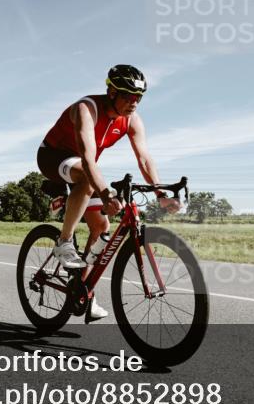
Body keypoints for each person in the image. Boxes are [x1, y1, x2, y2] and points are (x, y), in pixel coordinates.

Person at [36, 65, 181, 321]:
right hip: (53, 156)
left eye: (139, 97)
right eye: (127, 95)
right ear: (112, 91)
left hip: (82, 166)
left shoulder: (132, 119)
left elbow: (144, 159)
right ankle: (64, 242)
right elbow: (88, 159)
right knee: (88, 180)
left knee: (101, 226)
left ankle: (82, 291)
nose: (134, 102)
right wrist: (106, 195)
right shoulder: (86, 109)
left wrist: (160, 193)